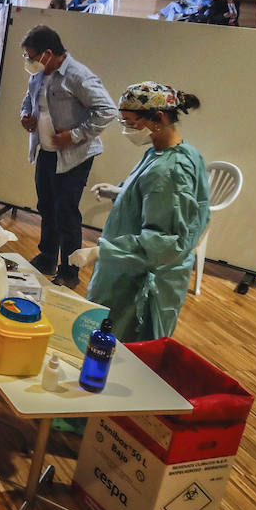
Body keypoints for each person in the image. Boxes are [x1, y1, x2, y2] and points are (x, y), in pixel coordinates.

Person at [69, 82, 208, 343]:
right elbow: (162, 204)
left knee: (119, 350)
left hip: (140, 281)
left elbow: (164, 241)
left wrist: (101, 252)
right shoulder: (173, 152)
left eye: (131, 123)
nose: (127, 130)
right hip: (131, 269)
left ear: (158, 118)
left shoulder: (169, 170)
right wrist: (122, 193)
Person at [18, 25, 118, 288]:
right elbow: (28, 100)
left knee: (66, 213)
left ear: (49, 54)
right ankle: (48, 256)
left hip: (74, 157)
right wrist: (25, 116)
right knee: (46, 206)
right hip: (47, 152)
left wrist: (74, 135)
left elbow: (107, 110)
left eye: (32, 57)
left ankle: (69, 270)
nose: (30, 62)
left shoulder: (78, 76)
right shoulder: (39, 76)